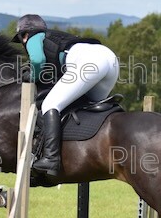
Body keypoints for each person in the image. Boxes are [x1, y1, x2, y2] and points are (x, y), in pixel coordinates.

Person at [12, 14, 120, 176]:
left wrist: (31, 76)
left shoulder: (34, 37)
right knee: (84, 105)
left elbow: (37, 61)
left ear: (24, 35)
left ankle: (51, 158)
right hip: (110, 60)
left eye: (21, 39)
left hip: (90, 63)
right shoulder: (56, 37)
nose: (23, 43)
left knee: (50, 104)